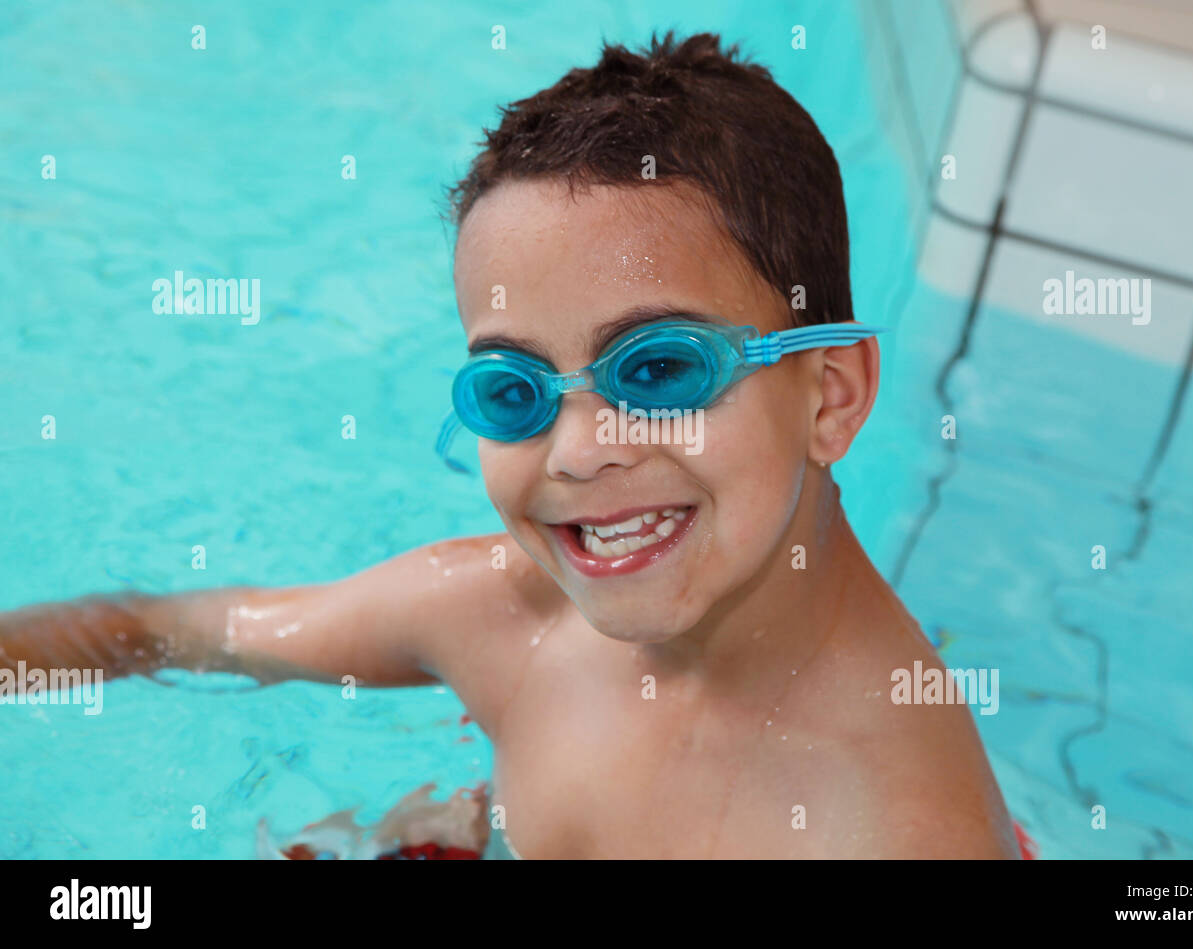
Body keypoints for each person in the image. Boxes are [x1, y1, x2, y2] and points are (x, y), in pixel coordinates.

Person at [1, 32, 1034, 859]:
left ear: (830, 393)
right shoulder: (514, 619)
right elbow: (164, 628)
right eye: (515, 389)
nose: (578, 452)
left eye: (659, 368)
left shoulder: (892, 828)